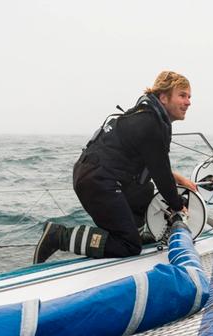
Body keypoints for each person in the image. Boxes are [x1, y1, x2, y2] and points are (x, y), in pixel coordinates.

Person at [33, 70, 198, 264]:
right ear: (163, 97)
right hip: (98, 181)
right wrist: (179, 205)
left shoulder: (146, 116)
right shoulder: (151, 124)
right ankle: (59, 236)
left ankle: (137, 233)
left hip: (96, 173)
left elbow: (153, 164)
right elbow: (161, 175)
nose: (188, 102)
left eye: (189, 96)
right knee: (129, 246)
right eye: (182, 95)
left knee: (145, 191)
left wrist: (177, 179)